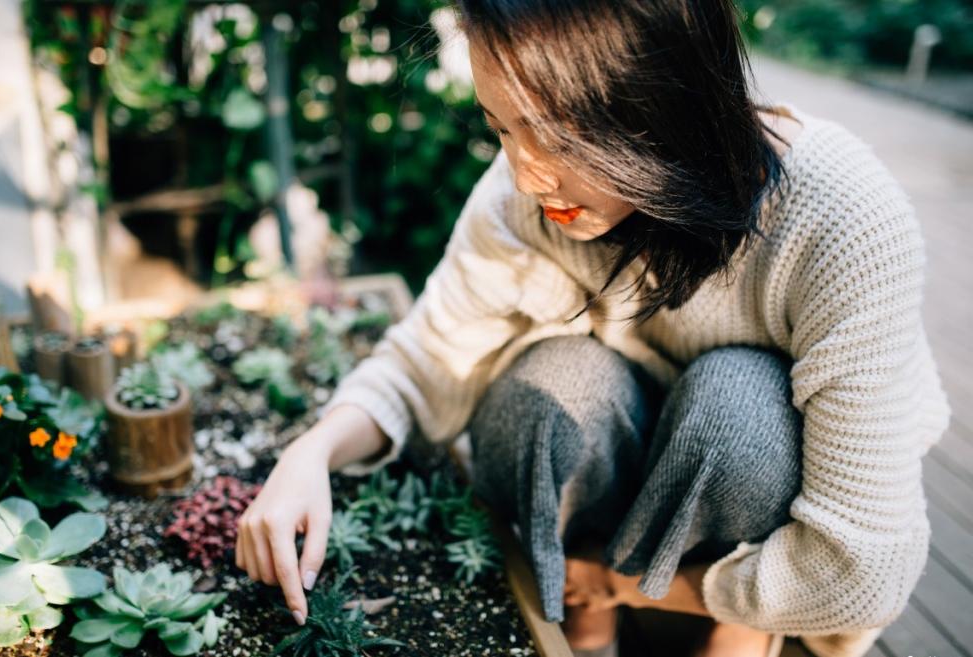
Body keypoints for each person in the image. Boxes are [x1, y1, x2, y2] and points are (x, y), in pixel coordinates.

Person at [236, 1, 951, 656]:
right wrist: (313, 450)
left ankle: (732, 626)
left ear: (667, 98)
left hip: (749, 496)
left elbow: (863, 567)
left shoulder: (843, 220)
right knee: (548, 389)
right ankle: (584, 624)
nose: (523, 177)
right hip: (634, 460)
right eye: (501, 128)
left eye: (554, 136)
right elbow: (430, 356)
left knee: (740, 411)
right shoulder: (528, 204)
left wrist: (614, 580)